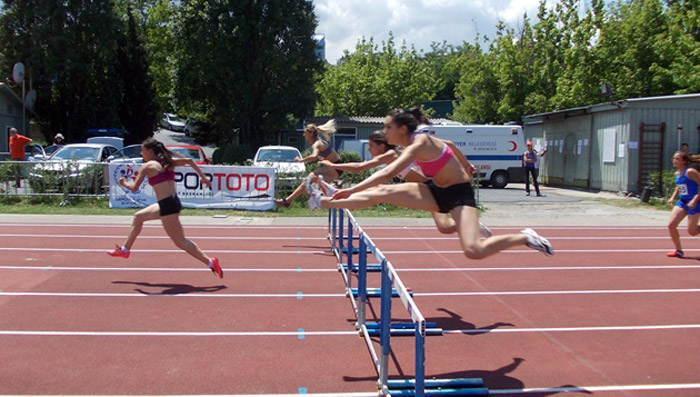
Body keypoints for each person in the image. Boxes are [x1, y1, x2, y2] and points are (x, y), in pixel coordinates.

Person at [315, 106, 553, 260]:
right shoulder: (406, 145)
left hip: (459, 195)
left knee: (473, 250)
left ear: (403, 128)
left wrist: (353, 189)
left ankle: (525, 237)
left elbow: (388, 172)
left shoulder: (420, 144)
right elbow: (448, 146)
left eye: (388, 127)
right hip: (434, 190)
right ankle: (323, 202)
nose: (384, 132)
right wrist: (346, 192)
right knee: (382, 192)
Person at [318, 130, 491, 236]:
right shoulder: (393, 155)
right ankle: (469, 222)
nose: (369, 149)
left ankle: (335, 197)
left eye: (371, 145)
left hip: (433, 187)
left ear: (381, 145)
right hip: (429, 188)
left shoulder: (391, 155)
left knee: (379, 191)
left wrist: (333, 165)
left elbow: (359, 167)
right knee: (444, 228)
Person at [107, 138, 223, 278]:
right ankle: (125, 250)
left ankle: (210, 262)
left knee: (180, 242)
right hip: (169, 202)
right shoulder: (167, 162)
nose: (141, 153)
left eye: (142, 150)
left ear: (150, 151)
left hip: (168, 206)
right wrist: (203, 178)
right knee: (138, 217)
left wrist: (123, 183)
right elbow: (190, 161)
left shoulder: (148, 166)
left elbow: (134, 188)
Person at [274, 120, 341, 208]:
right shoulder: (318, 142)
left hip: (335, 166)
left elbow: (314, 156)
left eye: (305, 132)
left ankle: (288, 201)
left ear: (311, 133)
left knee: (309, 179)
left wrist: (301, 160)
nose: (303, 135)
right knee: (308, 180)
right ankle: (335, 185)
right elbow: (322, 155)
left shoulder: (317, 144)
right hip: (335, 167)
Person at [666, 150, 700, 258]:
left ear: (684, 161)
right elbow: (680, 185)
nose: (674, 161)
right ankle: (678, 250)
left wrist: (695, 199)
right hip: (683, 202)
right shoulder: (677, 173)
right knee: (671, 225)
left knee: (692, 231)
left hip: (695, 202)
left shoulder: (690, 172)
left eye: (677, 159)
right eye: (673, 158)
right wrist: (673, 197)